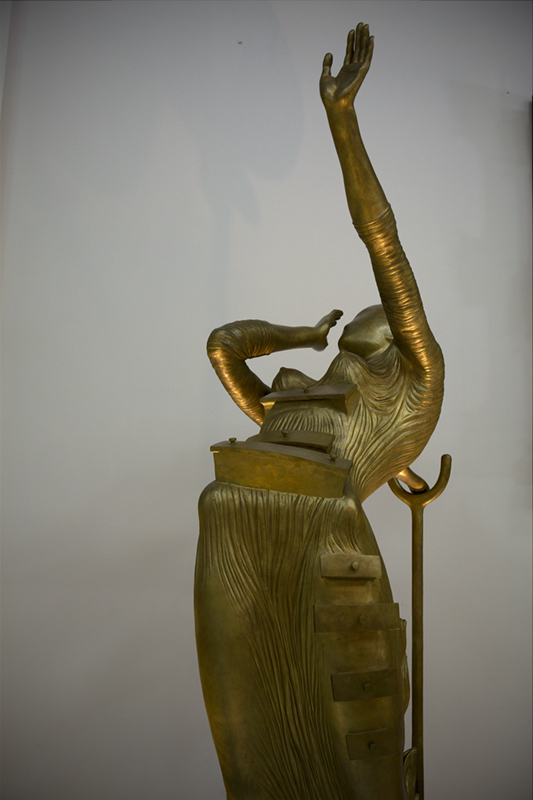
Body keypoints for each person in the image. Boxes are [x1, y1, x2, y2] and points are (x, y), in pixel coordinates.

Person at [195, 24, 444, 800]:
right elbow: (223, 346)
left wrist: (342, 121)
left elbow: (382, 240)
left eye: (371, 324)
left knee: (349, 749)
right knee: (253, 748)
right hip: (231, 508)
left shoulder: (417, 381)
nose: (343, 339)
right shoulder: (303, 396)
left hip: (317, 525)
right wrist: (301, 336)